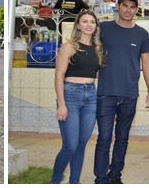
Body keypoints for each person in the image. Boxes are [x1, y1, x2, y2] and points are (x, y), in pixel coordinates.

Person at [94, 0, 149, 184]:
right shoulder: (103, 29)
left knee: (122, 138)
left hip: (129, 95)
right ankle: (101, 178)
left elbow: (146, 63)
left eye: (132, 6)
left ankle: (115, 176)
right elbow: (89, 49)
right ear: (118, 7)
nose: (128, 10)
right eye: (125, 6)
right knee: (104, 138)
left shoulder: (141, 34)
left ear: (136, 9)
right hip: (106, 94)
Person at [52, 10, 104, 184]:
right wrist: (61, 104)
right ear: (78, 25)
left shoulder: (97, 49)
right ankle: (55, 181)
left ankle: (75, 182)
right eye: (85, 21)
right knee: (70, 146)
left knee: (81, 145)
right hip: (70, 94)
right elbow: (59, 76)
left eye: (92, 22)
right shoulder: (69, 46)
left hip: (91, 96)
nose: (89, 24)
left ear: (96, 26)